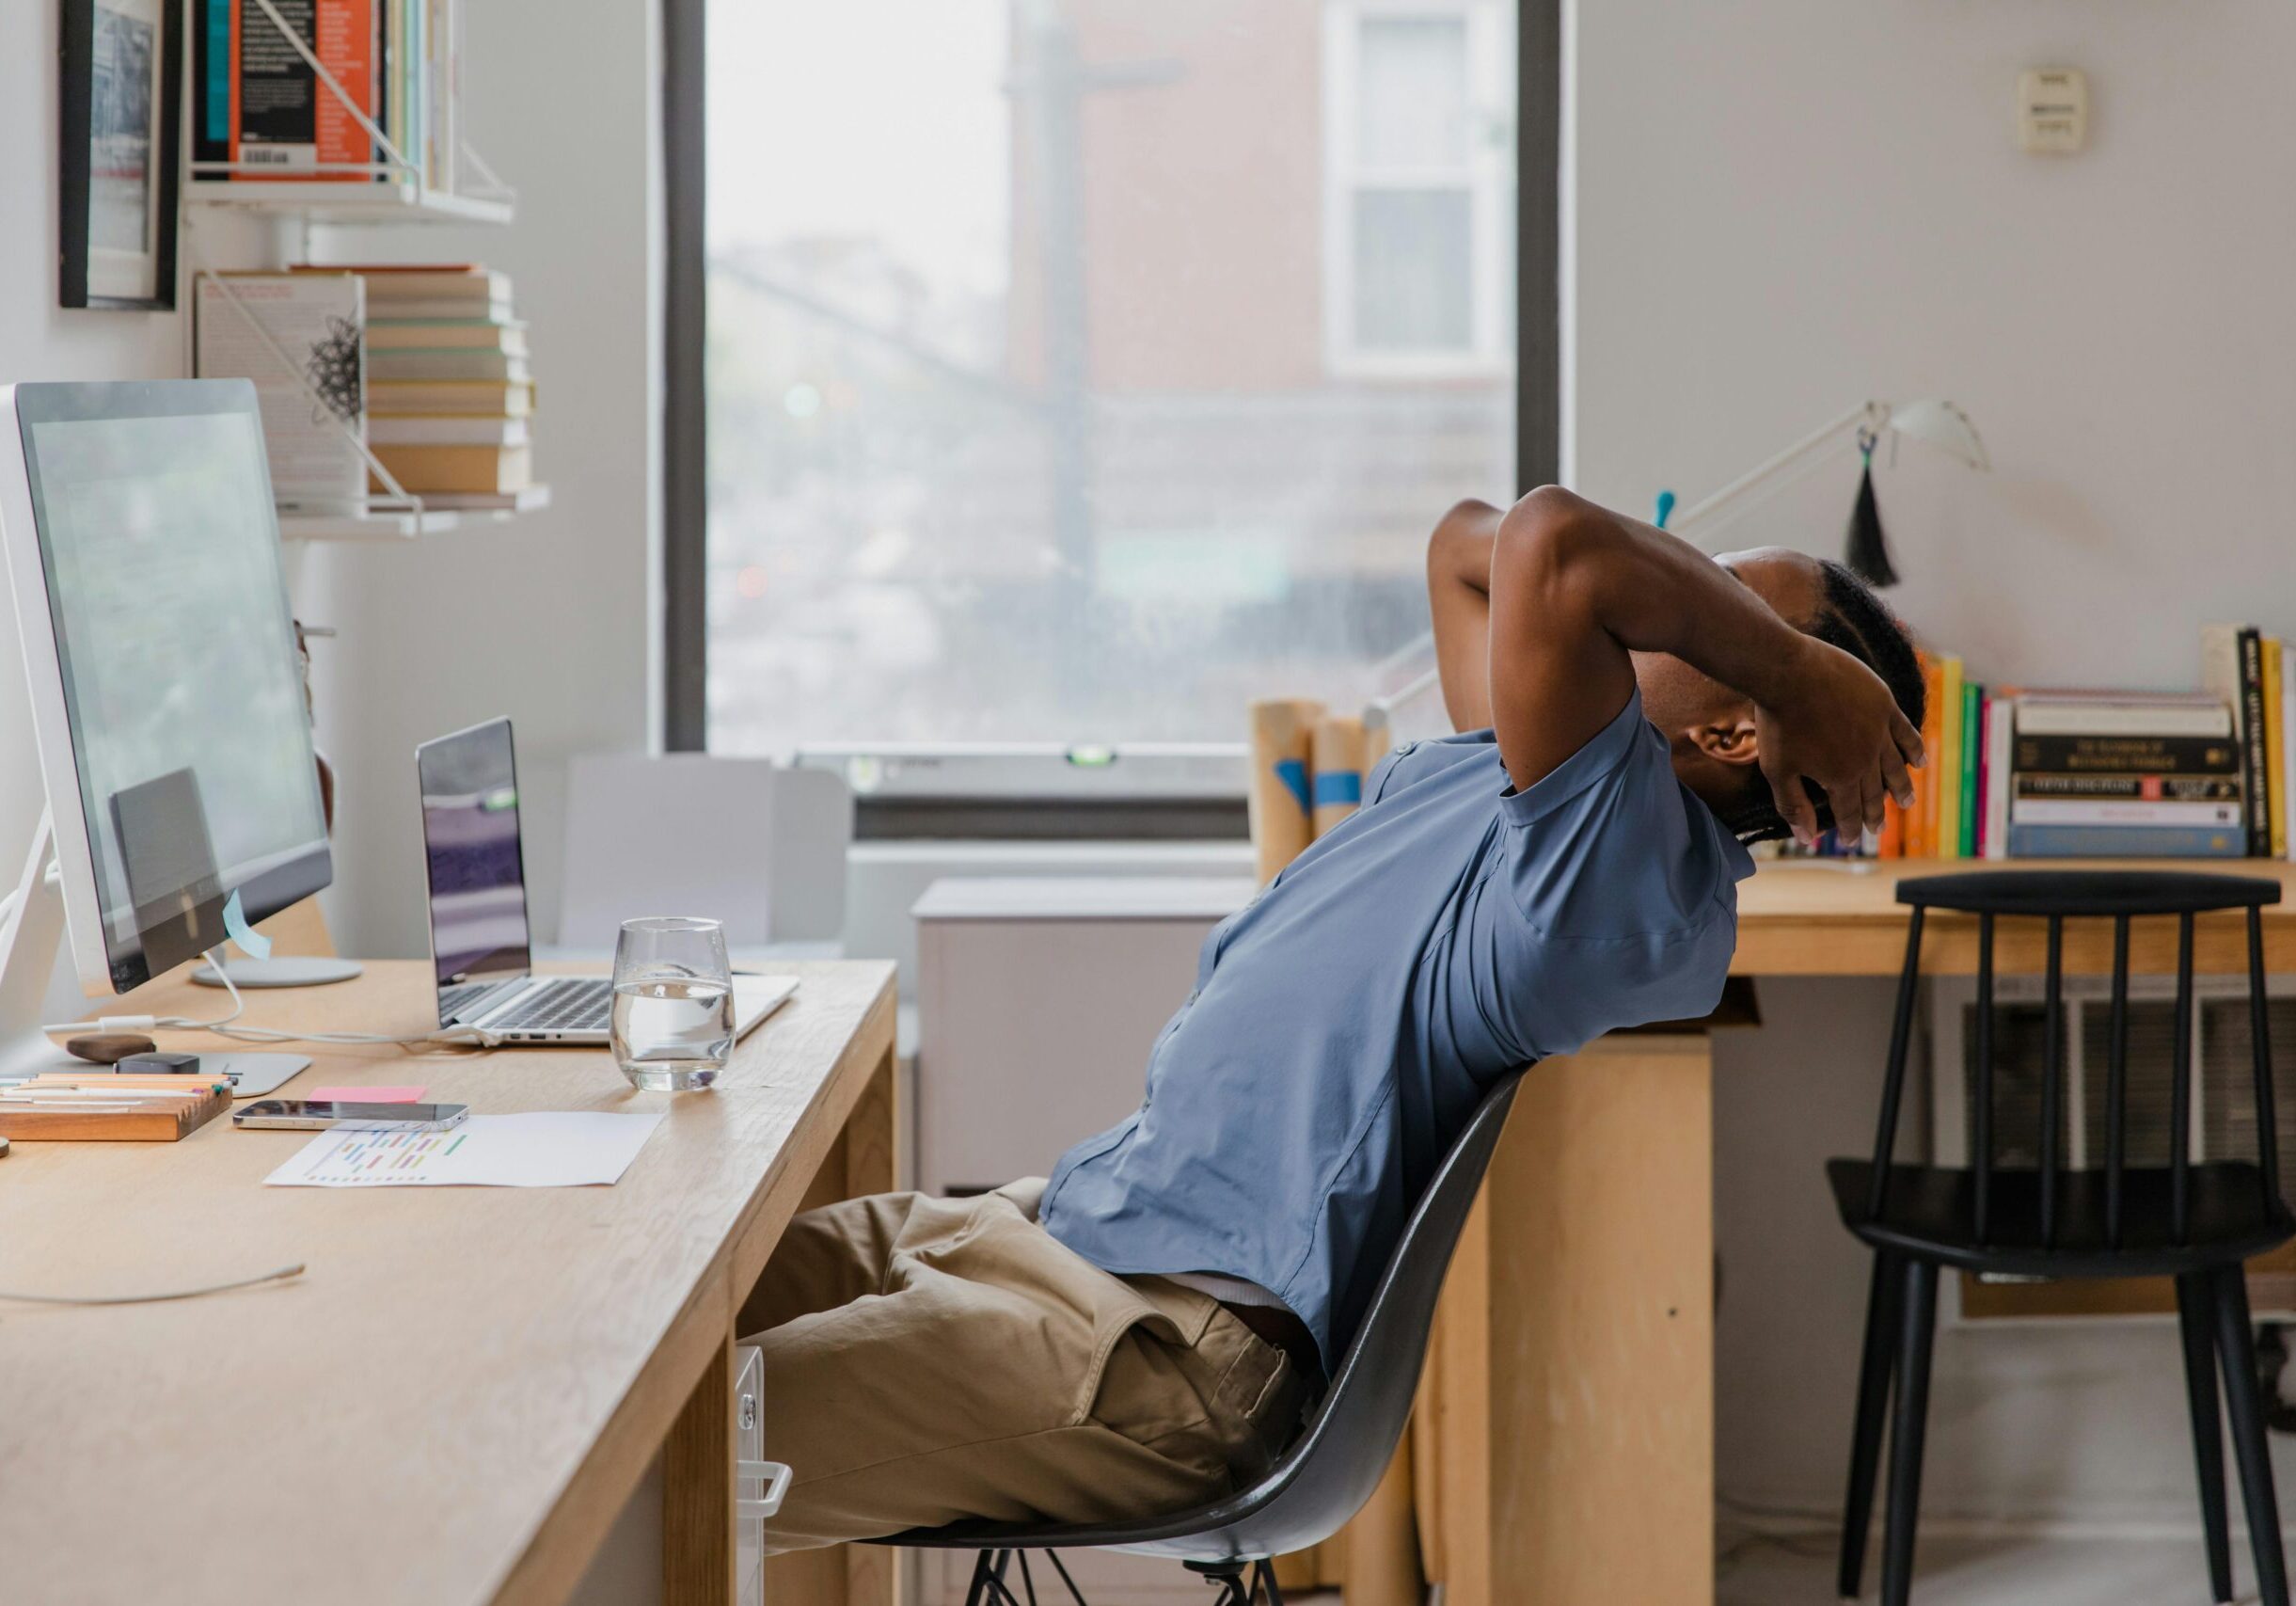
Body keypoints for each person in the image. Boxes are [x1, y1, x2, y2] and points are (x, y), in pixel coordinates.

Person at [741, 486, 1927, 1550]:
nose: (1696, 589)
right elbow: (1465, 549)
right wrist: (1781, 662)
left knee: (645, 1446)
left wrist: (1795, 672)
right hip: (1049, 1233)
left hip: (1155, 1348)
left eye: (1728, 601)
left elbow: (1552, 549)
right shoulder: (1519, 779)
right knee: (655, 1321)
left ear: (1735, 730)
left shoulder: (1624, 884)